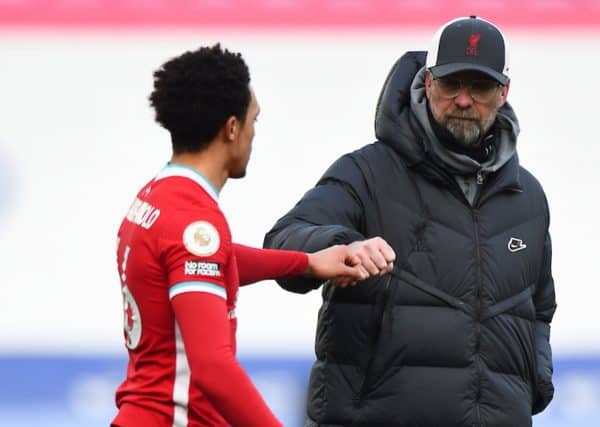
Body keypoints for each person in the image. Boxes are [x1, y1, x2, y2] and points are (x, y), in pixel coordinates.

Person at [264, 16, 556, 426]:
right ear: (428, 81)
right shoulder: (365, 172)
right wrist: (338, 246)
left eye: (481, 86)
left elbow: (539, 307)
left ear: (504, 92)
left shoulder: (528, 196)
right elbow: (282, 243)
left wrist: (533, 385)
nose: (464, 100)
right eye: (451, 83)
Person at [111, 44, 384, 427]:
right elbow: (212, 368)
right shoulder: (194, 220)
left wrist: (305, 262)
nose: (254, 134)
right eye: (254, 120)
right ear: (232, 128)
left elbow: (210, 259)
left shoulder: (156, 197)